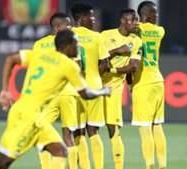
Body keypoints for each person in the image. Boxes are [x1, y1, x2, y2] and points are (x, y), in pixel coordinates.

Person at [0, 30, 111, 169]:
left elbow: (11, 59)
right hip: (29, 118)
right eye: (76, 43)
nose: (78, 47)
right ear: (67, 46)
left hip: (30, 114)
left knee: (60, 152)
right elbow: (85, 94)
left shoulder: (41, 54)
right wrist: (103, 91)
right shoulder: (68, 65)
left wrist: (5, 90)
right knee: (3, 162)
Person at [33, 12, 80, 169]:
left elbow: (35, 71)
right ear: (58, 26)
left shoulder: (39, 45)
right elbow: (78, 68)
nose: (71, 27)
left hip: (49, 95)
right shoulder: (71, 43)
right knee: (69, 135)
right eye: (68, 24)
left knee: (42, 134)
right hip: (69, 92)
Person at [99, 9, 142, 169]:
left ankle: (119, 166)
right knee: (87, 130)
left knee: (113, 129)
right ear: (124, 21)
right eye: (134, 20)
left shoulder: (136, 40)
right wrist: (116, 51)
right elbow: (98, 61)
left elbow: (133, 67)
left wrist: (112, 70)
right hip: (95, 86)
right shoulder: (104, 35)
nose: (137, 23)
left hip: (114, 89)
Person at [70, 3, 108, 169]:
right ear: (80, 18)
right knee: (93, 131)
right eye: (91, 16)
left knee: (77, 132)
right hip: (94, 86)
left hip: (74, 89)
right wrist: (94, 73)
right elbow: (105, 65)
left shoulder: (66, 35)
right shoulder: (97, 36)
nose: (94, 20)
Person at [131, 1, 167, 169]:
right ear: (145, 15)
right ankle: (163, 165)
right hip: (158, 81)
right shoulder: (160, 31)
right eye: (154, 13)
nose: (157, 16)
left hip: (142, 83)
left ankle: (150, 165)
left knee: (145, 128)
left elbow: (130, 29)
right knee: (157, 125)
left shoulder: (137, 31)